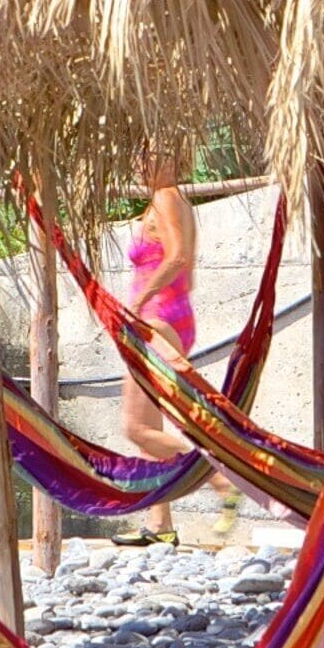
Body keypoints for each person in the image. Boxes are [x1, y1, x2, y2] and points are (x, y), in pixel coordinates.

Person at [117, 147, 196, 462]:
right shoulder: (180, 204)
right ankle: (160, 514)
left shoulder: (166, 199)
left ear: (171, 159)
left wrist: (139, 301)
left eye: (147, 155)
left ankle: (218, 474)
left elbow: (177, 257)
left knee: (135, 428)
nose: (138, 162)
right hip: (172, 319)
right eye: (138, 155)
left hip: (157, 322)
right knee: (148, 442)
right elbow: (189, 277)